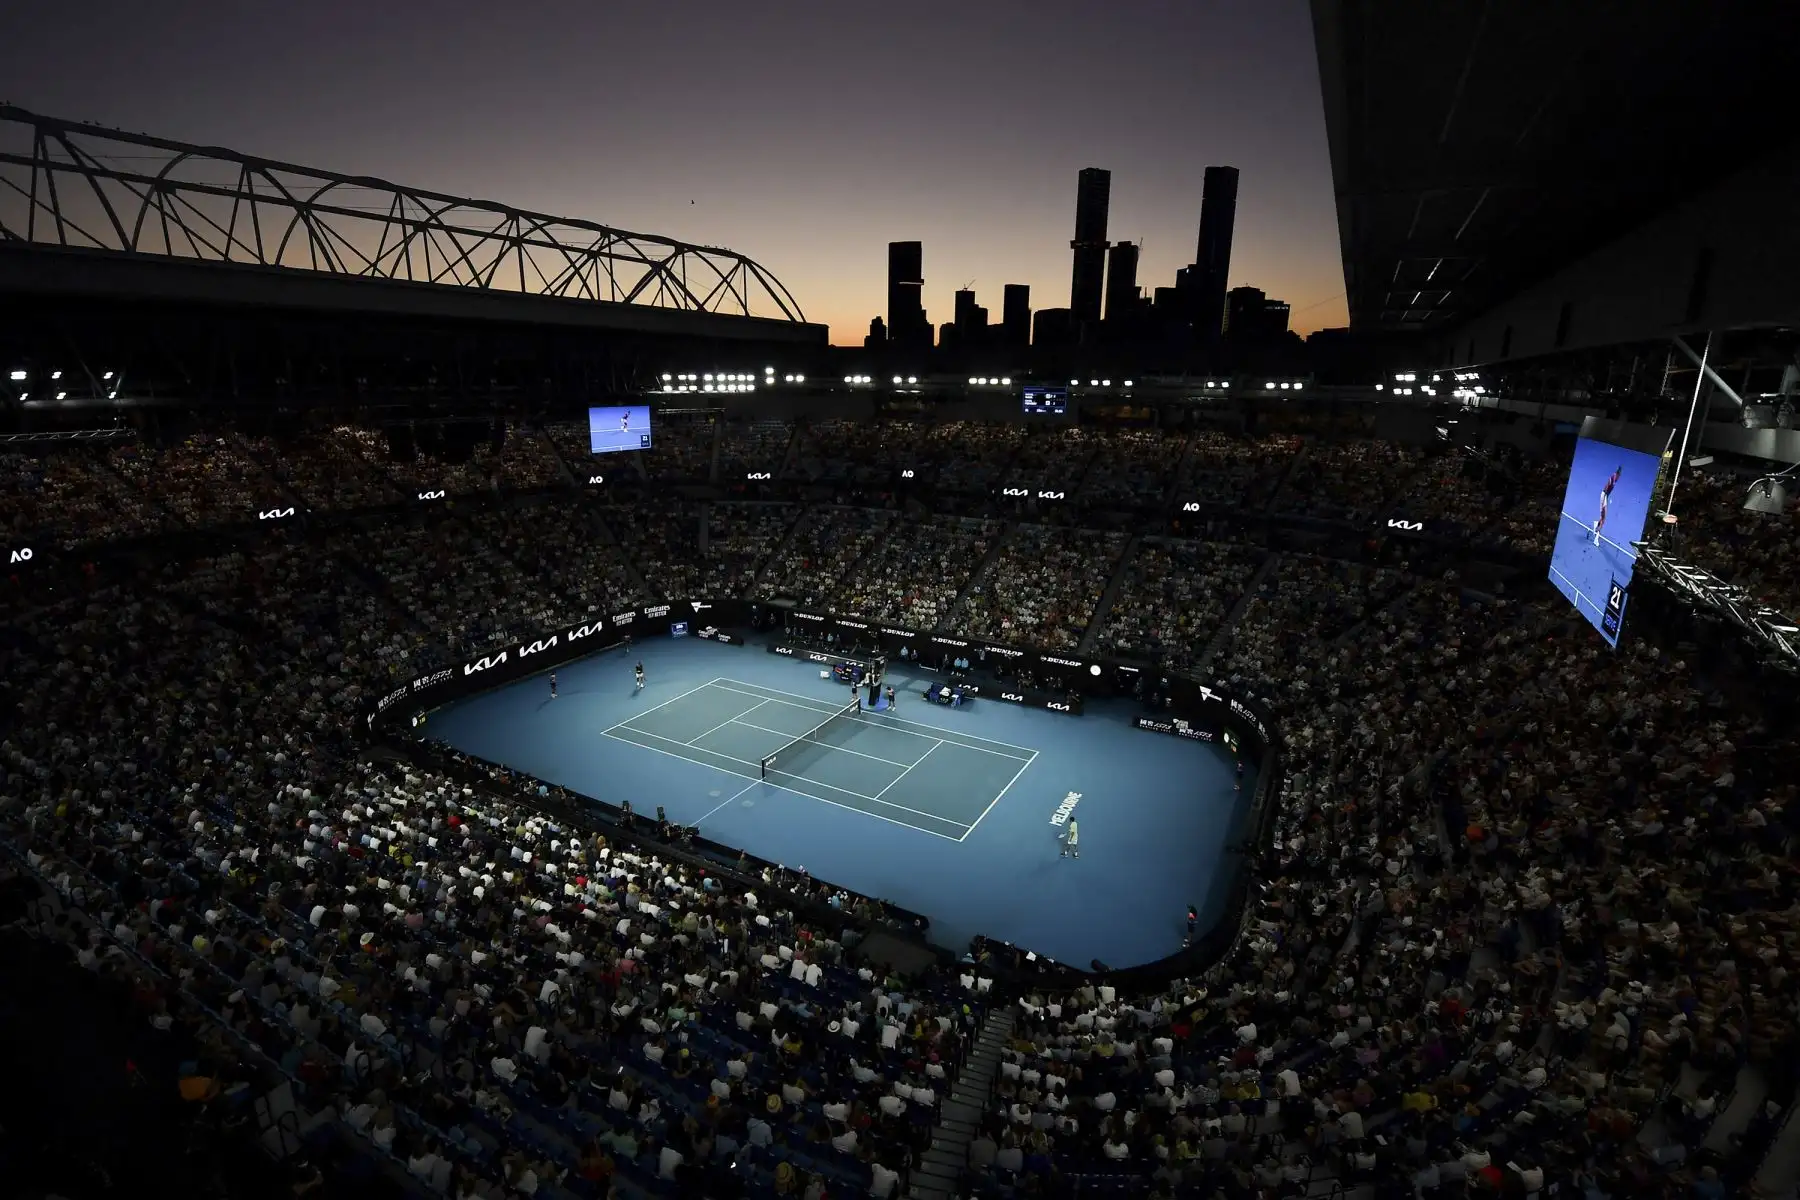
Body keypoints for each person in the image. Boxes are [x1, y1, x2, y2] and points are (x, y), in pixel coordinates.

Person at [1594, 465, 1621, 545]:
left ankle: (1596, 524)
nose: (1619, 478)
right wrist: (1603, 503)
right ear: (1617, 474)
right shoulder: (1611, 479)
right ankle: (1596, 539)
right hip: (1603, 497)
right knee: (1603, 519)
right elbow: (1605, 489)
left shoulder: (1615, 479)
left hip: (1605, 497)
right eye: (1619, 476)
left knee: (1603, 518)